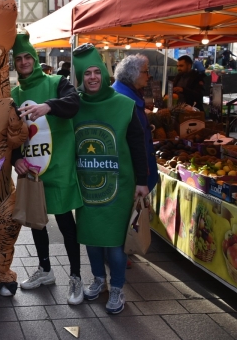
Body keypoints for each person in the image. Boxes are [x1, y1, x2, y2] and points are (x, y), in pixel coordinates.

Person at [71, 43, 148, 315]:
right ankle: (98, 280)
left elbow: (139, 146)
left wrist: (142, 180)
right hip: (88, 187)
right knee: (91, 239)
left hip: (119, 187)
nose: (92, 77)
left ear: (104, 74)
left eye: (96, 72)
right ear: (80, 78)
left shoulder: (125, 104)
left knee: (115, 244)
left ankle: (117, 288)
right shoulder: (74, 105)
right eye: (86, 74)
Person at [10, 32, 84, 305]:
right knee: (36, 221)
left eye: (28, 57)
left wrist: (48, 106)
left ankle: (76, 275)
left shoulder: (57, 82)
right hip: (31, 169)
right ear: (15, 64)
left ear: (35, 59)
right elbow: (11, 131)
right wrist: (16, 156)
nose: (24, 62)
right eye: (19, 59)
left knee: (66, 224)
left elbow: (74, 103)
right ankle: (45, 270)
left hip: (60, 167)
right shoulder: (14, 94)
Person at [112, 54, 158, 193]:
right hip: (129, 174)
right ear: (134, 74)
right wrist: (141, 178)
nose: (148, 76)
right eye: (145, 71)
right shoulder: (123, 100)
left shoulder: (127, 94)